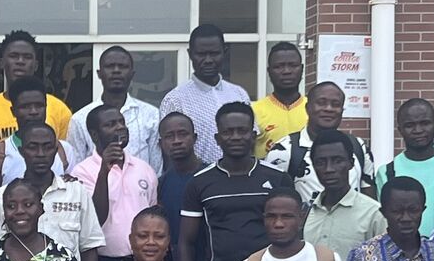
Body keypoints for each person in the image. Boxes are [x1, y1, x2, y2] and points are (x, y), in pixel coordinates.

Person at [178, 100, 291, 261]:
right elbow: (186, 241)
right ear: (218, 138)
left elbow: (292, 232)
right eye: (228, 132)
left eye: (242, 131)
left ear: (253, 135)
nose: (236, 137)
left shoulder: (278, 178)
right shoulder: (199, 183)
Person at [0, 123, 105, 261]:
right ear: (22, 151)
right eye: (33, 147)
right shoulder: (0, 197)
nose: (40, 154)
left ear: (56, 150)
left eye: (47, 147)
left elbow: (89, 248)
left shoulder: (77, 192)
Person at [69, 104, 159, 261]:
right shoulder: (82, 172)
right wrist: (104, 171)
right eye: (110, 124)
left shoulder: (144, 169)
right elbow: (94, 219)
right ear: (94, 135)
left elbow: (153, 215)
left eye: (121, 122)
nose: (120, 127)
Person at [160, 23, 251, 162]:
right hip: (195, 176)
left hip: (238, 174)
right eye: (201, 54)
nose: (208, 60)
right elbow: (168, 152)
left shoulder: (239, 94)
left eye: (214, 54)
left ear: (225, 52)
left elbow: (250, 141)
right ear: (190, 54)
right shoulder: (175, 100)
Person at [66, 44, 162, 171]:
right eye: (110, 66)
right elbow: (76, 169)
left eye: (123, 66)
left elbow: (156, 168)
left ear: (132, 74)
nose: (116, 70)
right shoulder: (80, 119)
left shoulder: (151, 115)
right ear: (99, 73)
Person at [0, 30, 73, 143]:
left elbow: (66, 151)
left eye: (27, 57)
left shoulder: (60, 110)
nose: (20, 61)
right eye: (14, 56)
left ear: (36, 65)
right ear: (1, 63)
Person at [386, 97, 434, 236]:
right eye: (410, 125)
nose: (418, 130)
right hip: (403, 248)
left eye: (425, 123)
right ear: (400, 130)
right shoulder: (388, 171)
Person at [302, 136, 388, 258]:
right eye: (321, 163)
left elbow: (386, 260)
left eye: (337, 161)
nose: (329, 169)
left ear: (351, 163)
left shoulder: (374, 213)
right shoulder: (305, 214)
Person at [0, 81, 72, 187]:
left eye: (39, 106)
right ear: (13, 111)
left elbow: (73, 190)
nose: (33, 111)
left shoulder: (64, 150)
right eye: (25, 107)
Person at [251, 40, 313, 161]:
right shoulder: (254, 111)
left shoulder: (314, 109)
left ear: (302, 69)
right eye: (279, 66)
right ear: (269, 72)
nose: (286, 71)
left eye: (292, 65)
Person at [156, 110, 203, 255]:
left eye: (183, 134)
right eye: (169, 136)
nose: (177, 141)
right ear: (161, 143)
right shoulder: (160, 184)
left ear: (194, 138)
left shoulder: (211, 176)